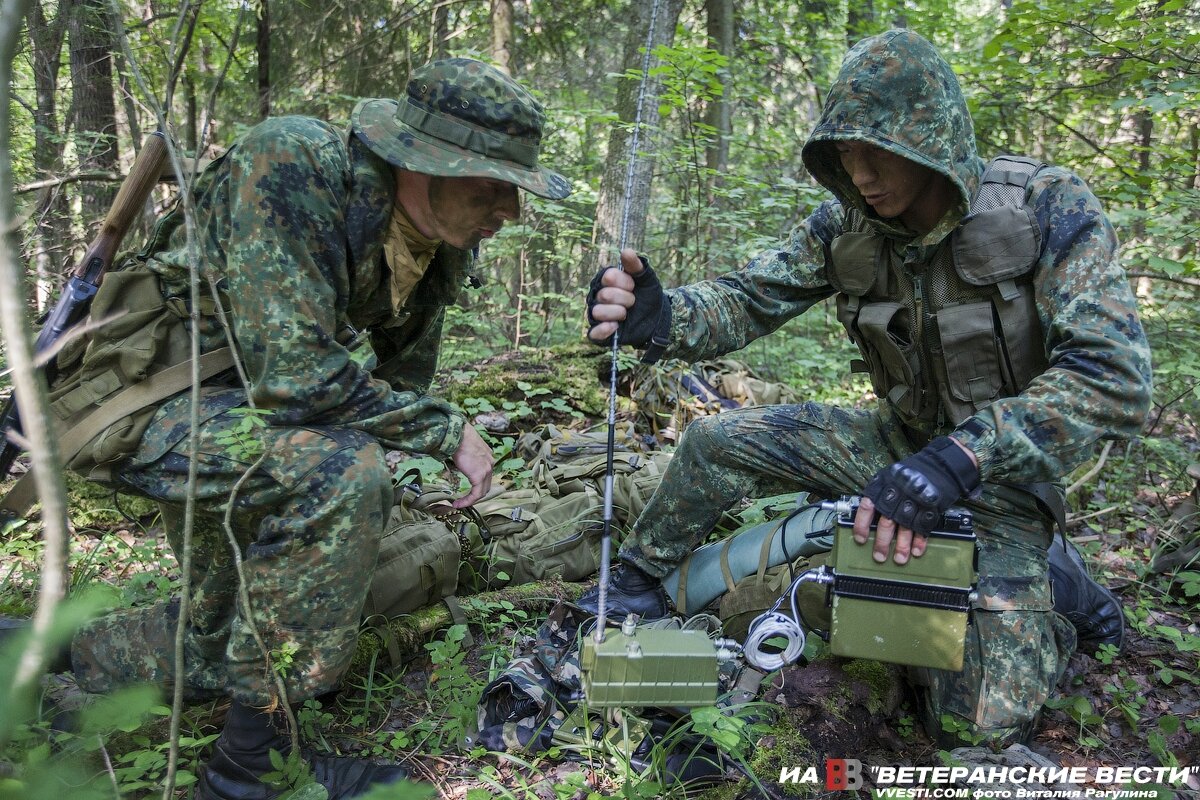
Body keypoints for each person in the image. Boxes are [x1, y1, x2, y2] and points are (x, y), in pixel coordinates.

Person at [6, 58, 570, 799]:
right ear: (421, 162)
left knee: (219, 635)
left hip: (237, 417)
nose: (508, 210)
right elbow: (298, 378)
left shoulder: (433, 247)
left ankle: (27, 652)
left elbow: (399, 383)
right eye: (490, 186)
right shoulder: (291, 162)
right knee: (338, 475)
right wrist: (444, 435)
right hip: (133, 400)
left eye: (514, 190)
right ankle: (250, 775)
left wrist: (381, 486)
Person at [583, 29, 1150, 747]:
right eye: (845, 155)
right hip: (892, 445)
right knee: (714, 441)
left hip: (1003, 480)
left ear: (930, 142)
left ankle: (1057, 590)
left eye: (878, 152)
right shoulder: (844, 224)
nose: (862, 172)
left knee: (967, 726)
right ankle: (633, 580)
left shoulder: (1045, 206)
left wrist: (959, 460)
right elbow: (749, 297)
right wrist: (663, 317)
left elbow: (1116, 377)